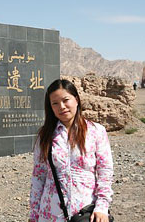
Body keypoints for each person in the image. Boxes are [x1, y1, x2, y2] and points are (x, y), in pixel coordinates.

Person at [29, 79, 113, 222]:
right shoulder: (45, 135)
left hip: (85, 212)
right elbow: (39, 176)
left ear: (77, 100)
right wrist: (34, 215)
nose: (61, 106)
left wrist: (102, 207)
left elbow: (105, 171)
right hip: (50, 213)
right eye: (55, 103)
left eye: (66, 100)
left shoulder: (96, 132)